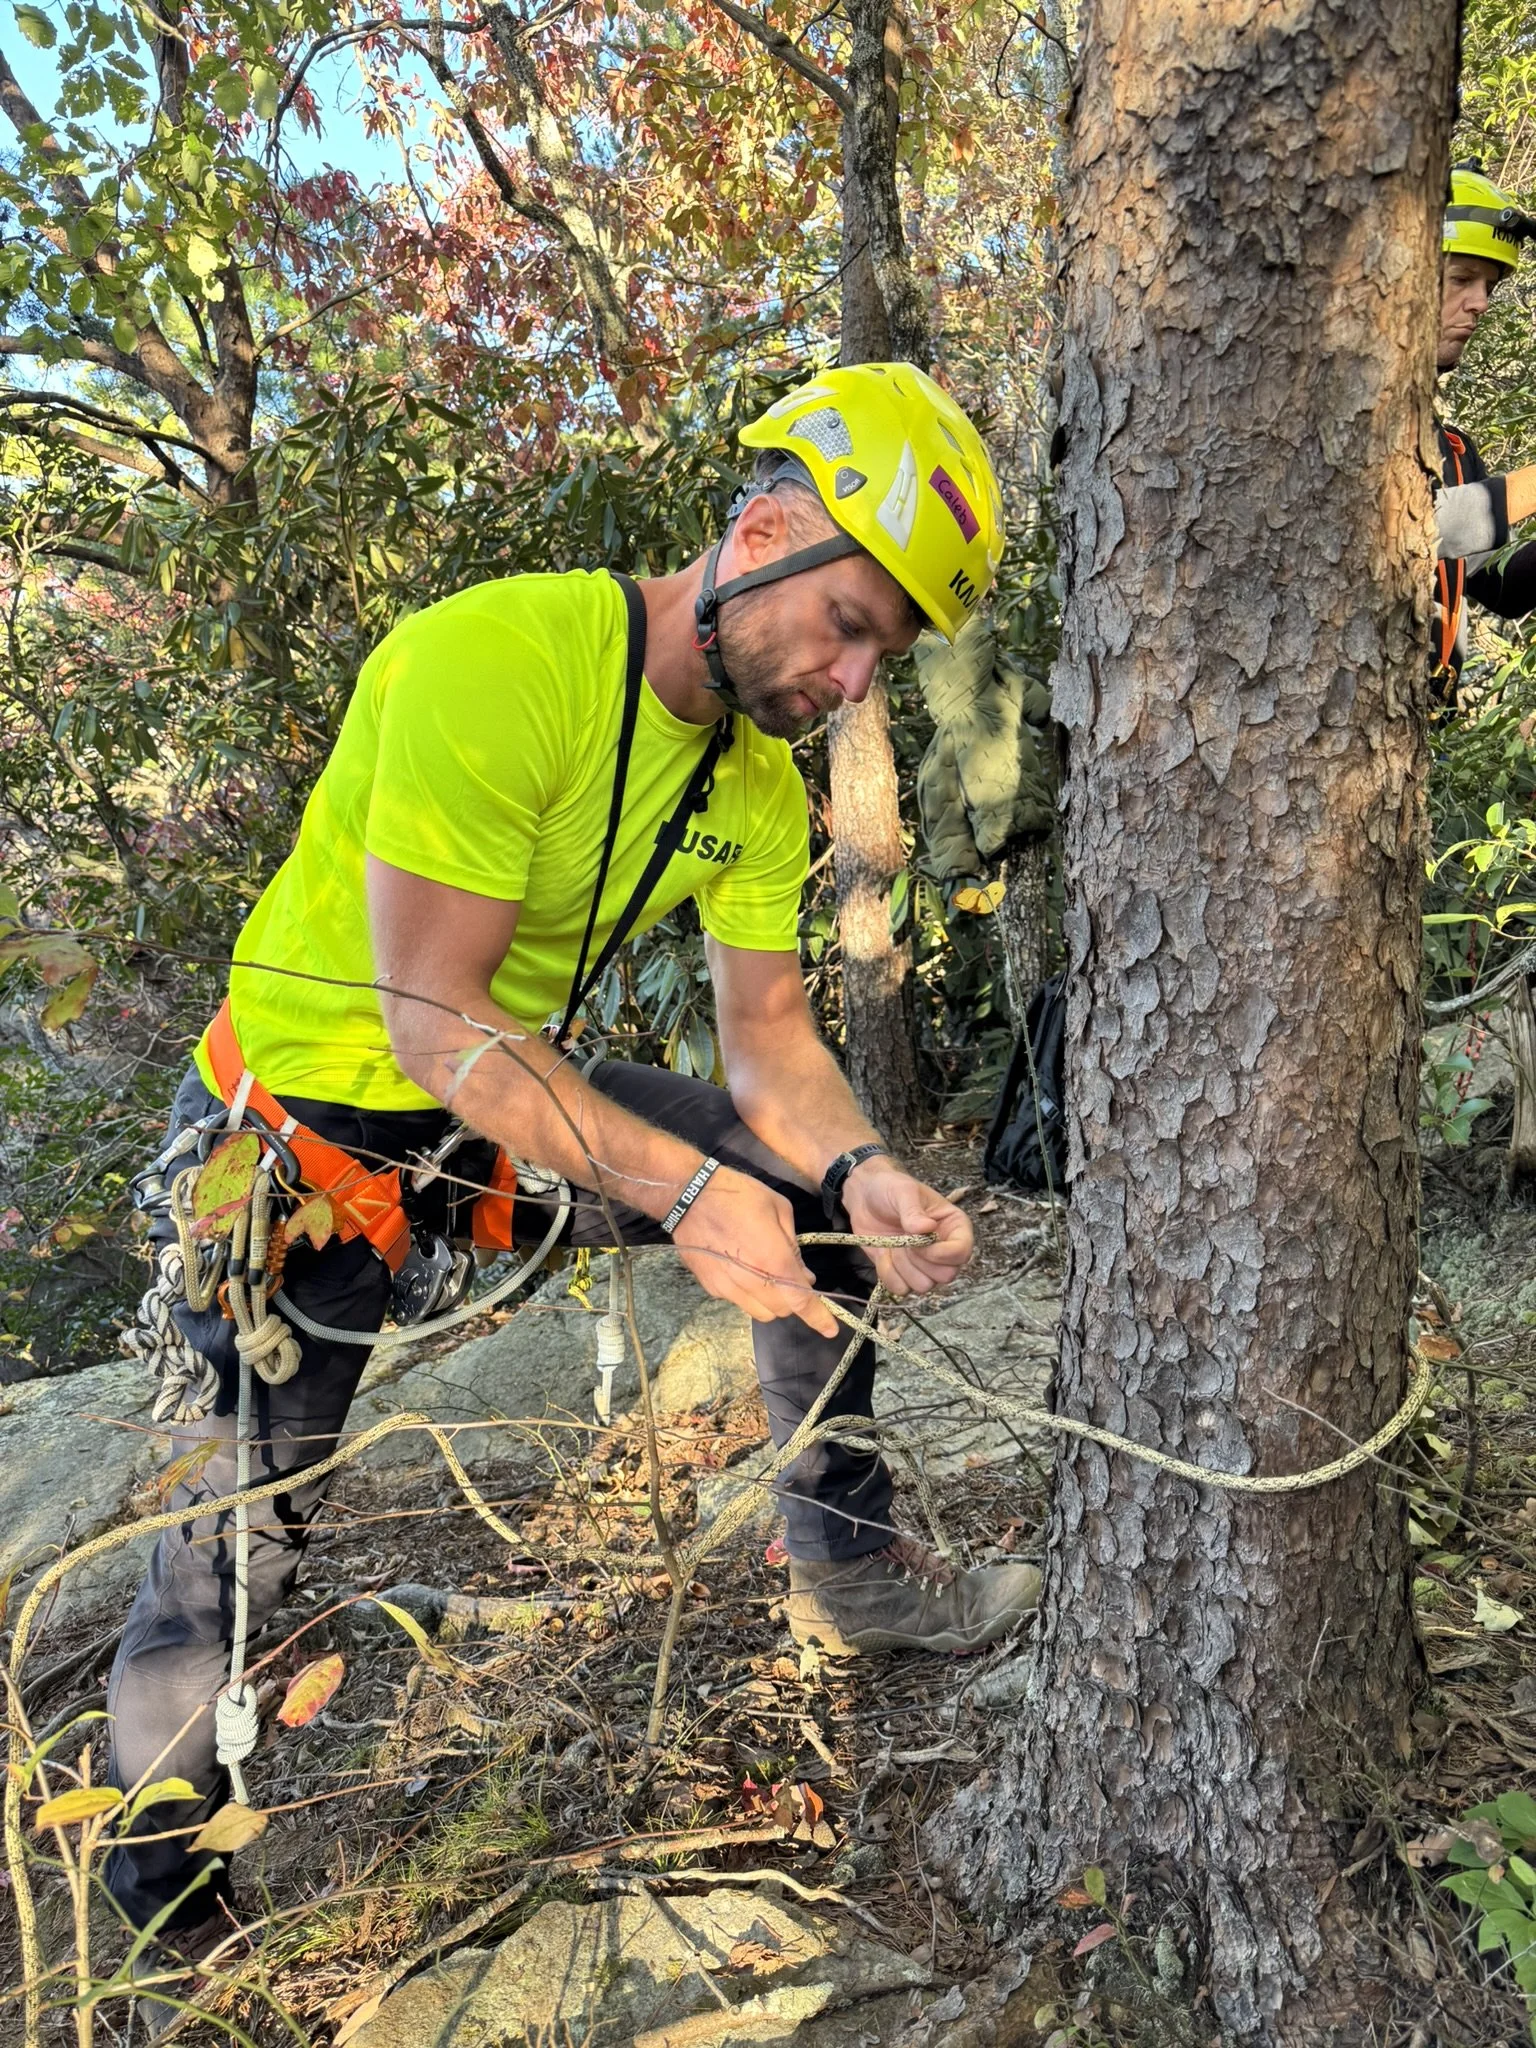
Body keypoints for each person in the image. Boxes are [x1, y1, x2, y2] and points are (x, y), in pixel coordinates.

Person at [105, 364, 1040, 1992]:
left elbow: (769, 1040)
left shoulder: (749, 781)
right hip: (302, 1138)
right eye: (847, 624)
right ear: (762, 536)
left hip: (483, 1109)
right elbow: (430, 1015)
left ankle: (844, 1564)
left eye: (883, 654)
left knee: (788, 1178)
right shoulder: (496, 663)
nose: (849, 677)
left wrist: (860, 1165)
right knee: (235, 1546)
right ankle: (164, 1919)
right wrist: (681, 1195)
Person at [1433, 163, 1536, 700]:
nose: (1481, 303)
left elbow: (1498, 585)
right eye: (1461, 279)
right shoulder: (1330, 420)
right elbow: (1410, 528)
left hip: (1419, 732)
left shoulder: (1451, 449)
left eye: (1489, 286)